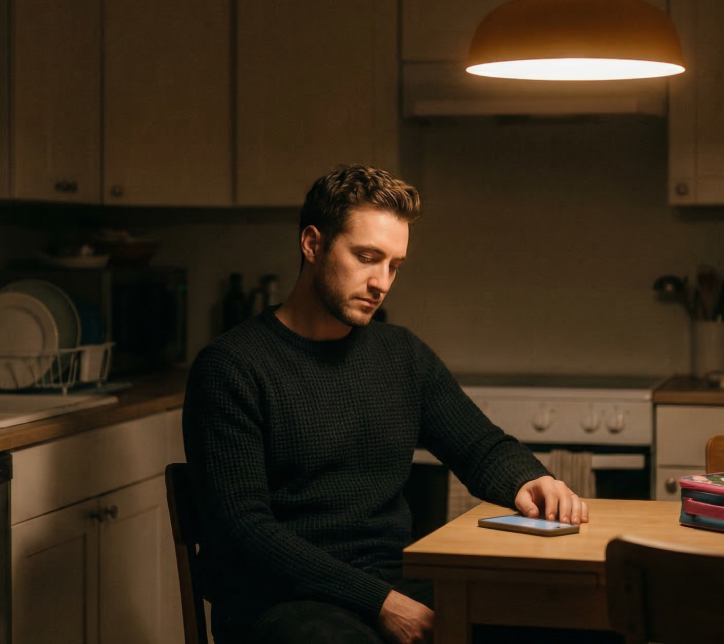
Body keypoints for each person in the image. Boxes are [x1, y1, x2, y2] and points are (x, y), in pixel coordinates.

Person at [183, 164, 589, 644]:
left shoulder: (400, 355)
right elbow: (245, 532)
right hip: (277, 601)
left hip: (394, 580)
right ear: (312, 244)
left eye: (394, 265)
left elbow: (478, 445)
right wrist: (379, 603)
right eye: (367, 257)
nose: (382, 282)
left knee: (570, 618)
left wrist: (533, 479)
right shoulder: (231, 367)